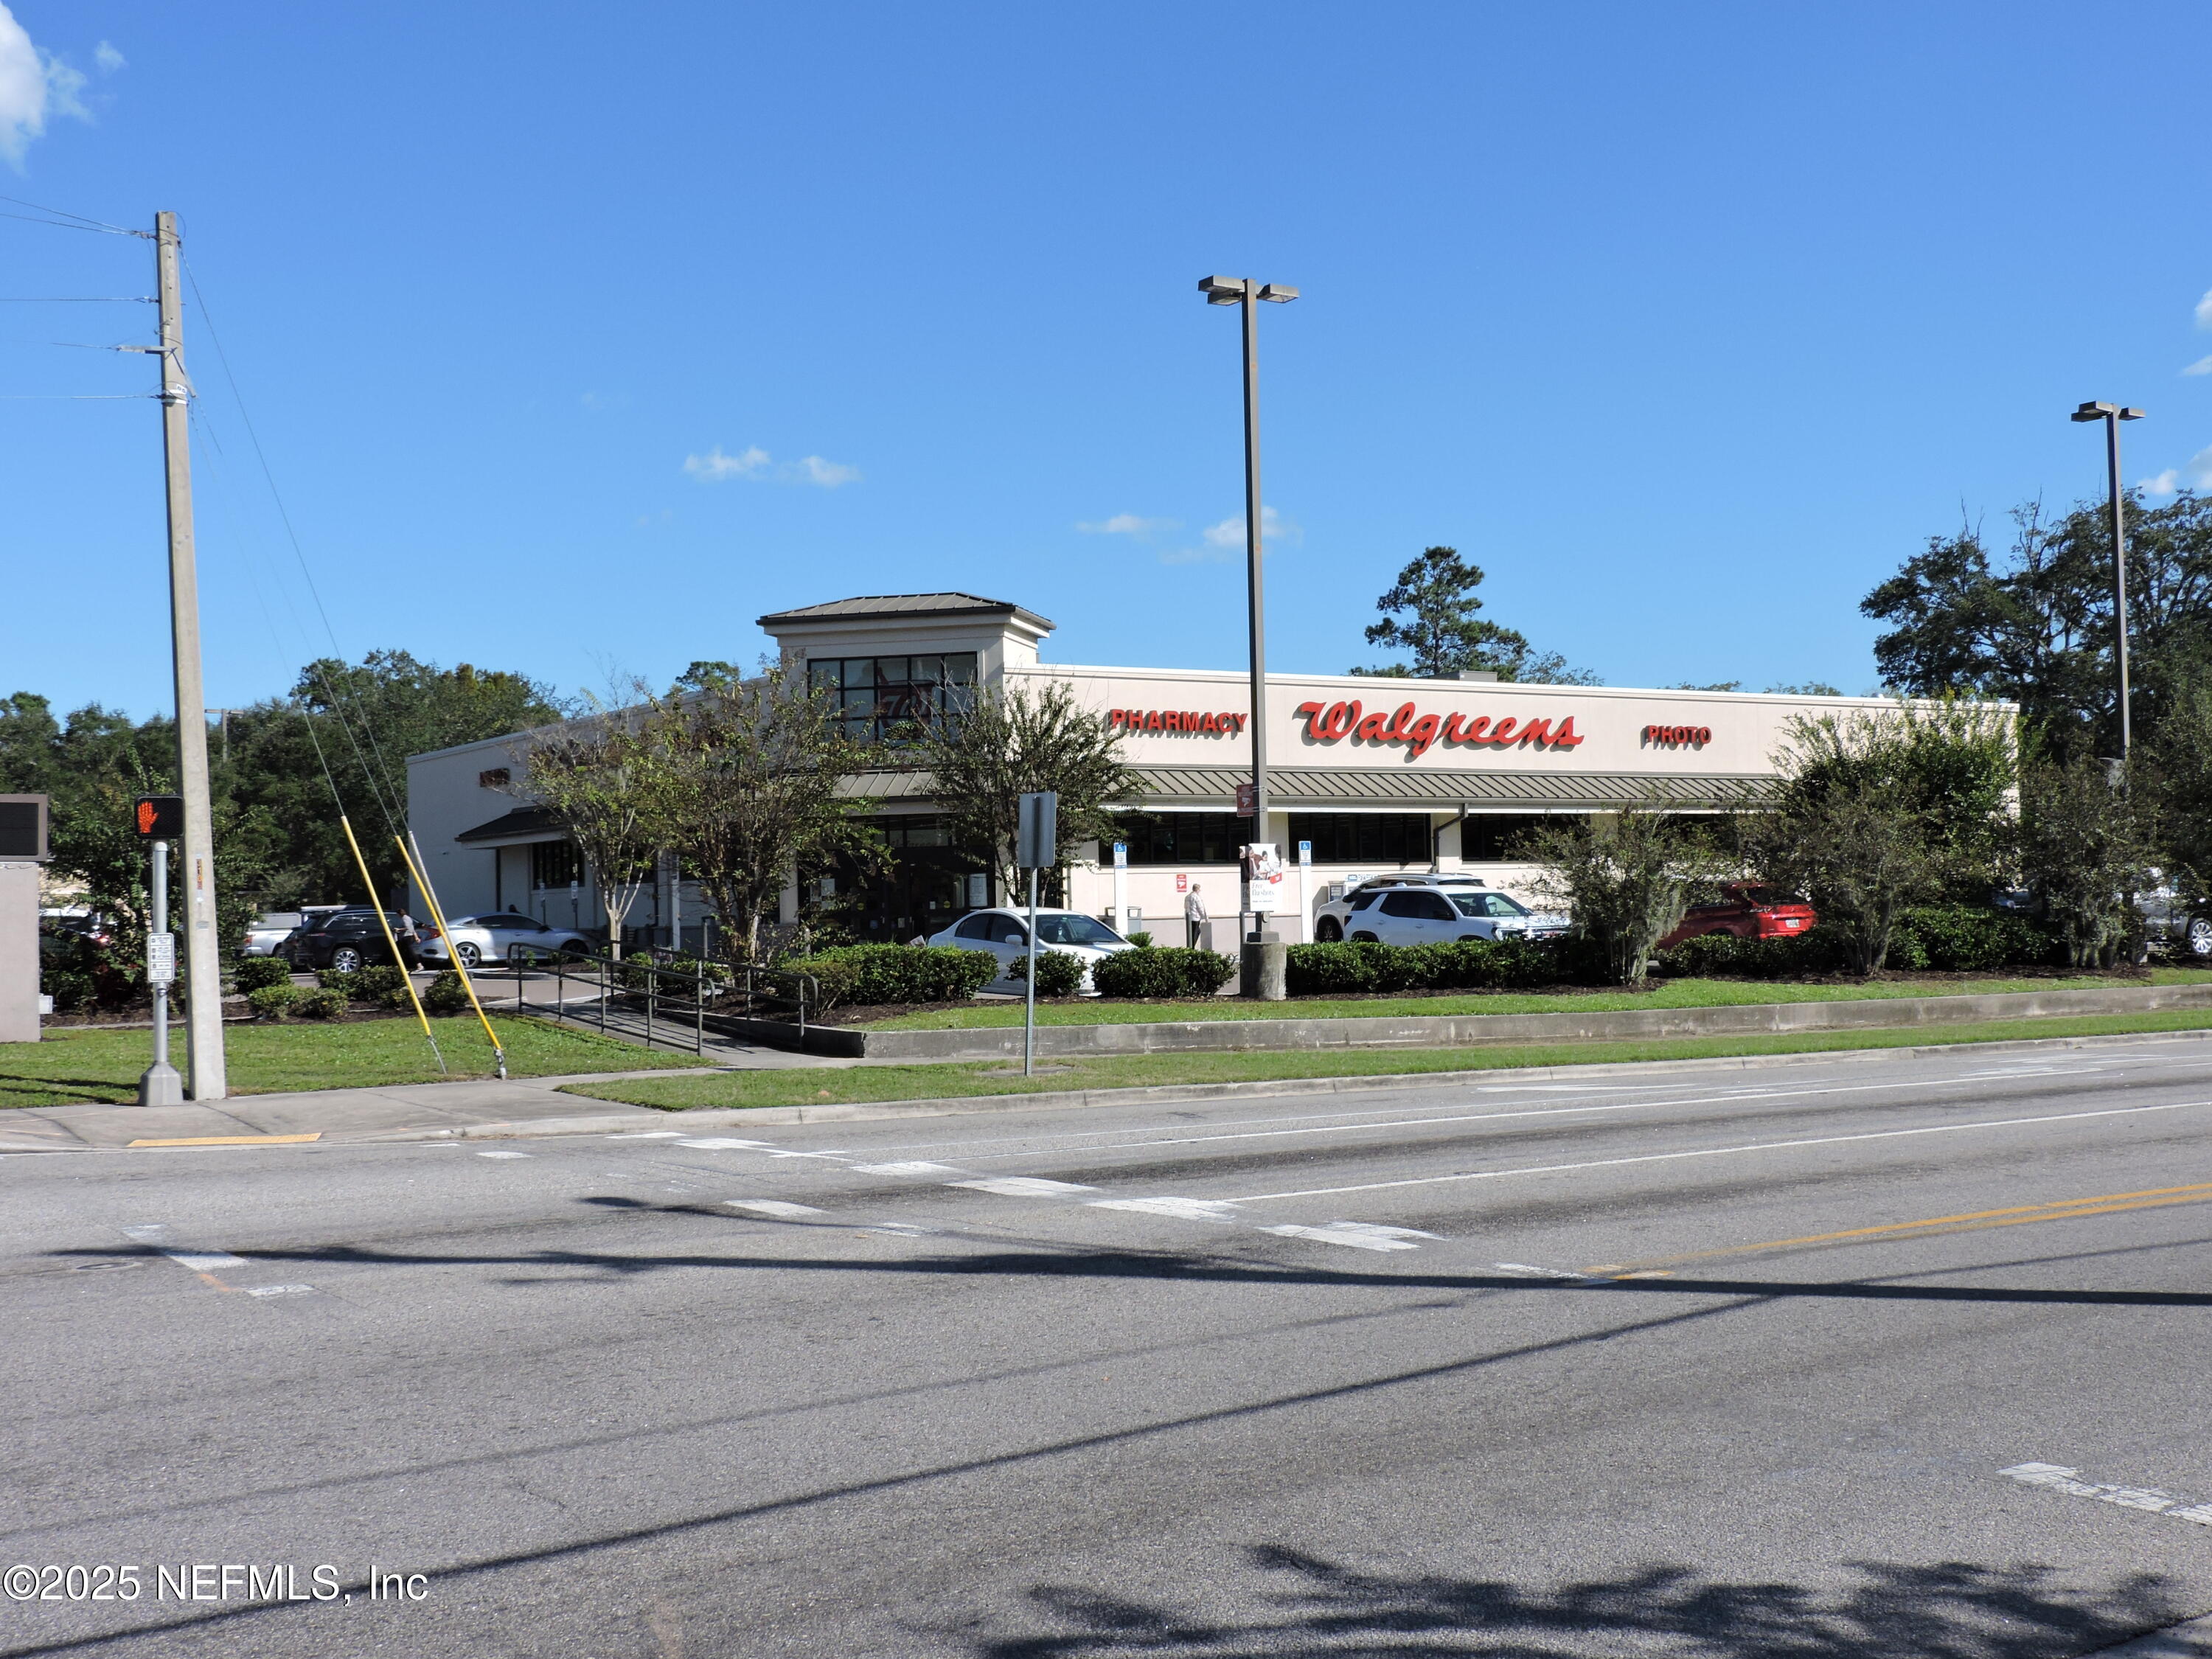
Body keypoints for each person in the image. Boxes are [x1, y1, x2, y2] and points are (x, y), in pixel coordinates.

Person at [1184, 883, 1207, 949]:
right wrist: (1204, 916)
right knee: (1196, 932)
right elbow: (1200, 907)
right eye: (1199, 889)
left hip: (1189, 918)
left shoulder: (1187, 896)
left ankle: (1191, 946)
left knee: (1191, 932)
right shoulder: (1196, 897)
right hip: (1196, 917)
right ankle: (1192, 947)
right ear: (1197, 889)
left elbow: (1185, 906)